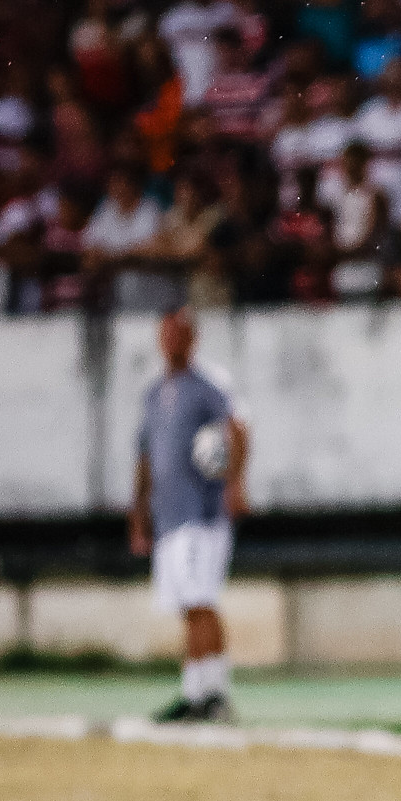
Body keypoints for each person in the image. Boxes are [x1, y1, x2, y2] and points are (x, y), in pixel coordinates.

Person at [130, 308, 249, 723]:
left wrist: (234, 483)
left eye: (179, 335)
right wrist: (139, 512)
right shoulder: (155, 391)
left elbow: (236, 429)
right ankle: (194, 690)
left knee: (202, 599)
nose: (172, 342)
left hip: (202, 512)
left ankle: (214, 692)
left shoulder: (208, 386)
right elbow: (145, 456)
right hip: (169, 515)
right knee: (185, 604)